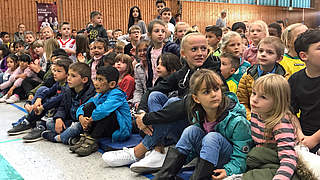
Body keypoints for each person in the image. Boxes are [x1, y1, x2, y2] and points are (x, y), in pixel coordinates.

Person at [102, 33, 222, 173]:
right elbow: (153, 89)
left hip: (202, 130)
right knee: (155, 96)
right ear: (183, 53)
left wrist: (147, 119)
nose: (200, 53)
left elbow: (187, 105)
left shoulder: (211, 73)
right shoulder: (186, 71)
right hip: (185, 123)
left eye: (203, 49)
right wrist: (141, 112)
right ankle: (158, 148)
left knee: (174, 102)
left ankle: (138, 152)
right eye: (194, 49)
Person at [154, 69, 252, 179]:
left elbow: (243, 156)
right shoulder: (199, 114)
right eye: (206, 92)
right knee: (191, 130)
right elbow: (192, 147)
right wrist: (182, 157)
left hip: (228, 163)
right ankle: (164, 176)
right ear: (196, 98)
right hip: (207, 160)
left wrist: (228, 170)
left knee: (212, 137)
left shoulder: (237, 121)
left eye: (216, 89)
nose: (214, 94)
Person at [243, 74, 297, 180]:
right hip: (262, 158)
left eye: (263, 97)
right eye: (254, 93)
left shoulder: (280, 124)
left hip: (277, 159)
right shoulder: (257, 112)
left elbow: (289, 158)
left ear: (277, 101)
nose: (254, 99)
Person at [7, 57, 73, 142]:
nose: (55, 73)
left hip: (62, 113)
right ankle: (29, 120)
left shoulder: (68, 87)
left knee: (51, 104)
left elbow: (56, 100)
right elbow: (47, 91)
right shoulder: (58, 83)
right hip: (51, 107)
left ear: (67, 74)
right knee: (42, 91)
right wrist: (38, 99)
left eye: (58, 71)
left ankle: (41, 125)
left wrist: (42, 107)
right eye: (54, 70)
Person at [72, 66, 132, 156]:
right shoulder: (99, 94)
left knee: (109, 114)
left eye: (100, 80)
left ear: (111, 84)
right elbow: (83, 106)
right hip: (103, 127)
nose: (96, 83)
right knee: (89, 106)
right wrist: (81, 117)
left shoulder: (117, 94)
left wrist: (90, 119)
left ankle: (92, 140)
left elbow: (104, 110)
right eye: (96, 79)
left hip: (120, 129)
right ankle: (86, 136)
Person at [41, 62, 95, 145]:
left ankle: (57, 138)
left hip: (80, 124)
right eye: (68, 75)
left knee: (75, 127)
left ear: (84, 80)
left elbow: (87, 117)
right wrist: (59, 118)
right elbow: (62, 106)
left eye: (73, 76)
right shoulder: (68, 89)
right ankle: (71, 138)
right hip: (69, 122)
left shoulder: (91, 93)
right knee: (49, 122)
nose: (68, 78)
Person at [237, 36, 287, 120]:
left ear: (279, 58)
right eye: (260, 51)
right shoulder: (247, 76)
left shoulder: (284, 78)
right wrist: (252, 118)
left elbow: (284, 105)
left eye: (270, 52)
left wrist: (272, 120)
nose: (263, 54)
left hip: (274, 120)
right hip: (251, 119)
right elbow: (242, 102)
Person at [289, 29, 320, 154]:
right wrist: (300, 135)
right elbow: (290, 111)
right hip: (304, 133)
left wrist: (314, 139)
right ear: (304, 56)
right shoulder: (295, 79)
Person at [145, 19, 180, 88]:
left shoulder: (172, 48)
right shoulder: (149, 50)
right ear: (149, 34)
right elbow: (151, 71)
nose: (160, 34)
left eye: (163, 31)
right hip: (154, 84)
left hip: (168, 85)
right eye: (156, 31)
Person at [132, 40, 150, 107]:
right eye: (139, 51)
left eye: (145, 50)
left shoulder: (155, 65)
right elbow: (138, 89)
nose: (142, 53)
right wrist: (137, 101)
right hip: (144, 98)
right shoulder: (137, 68)